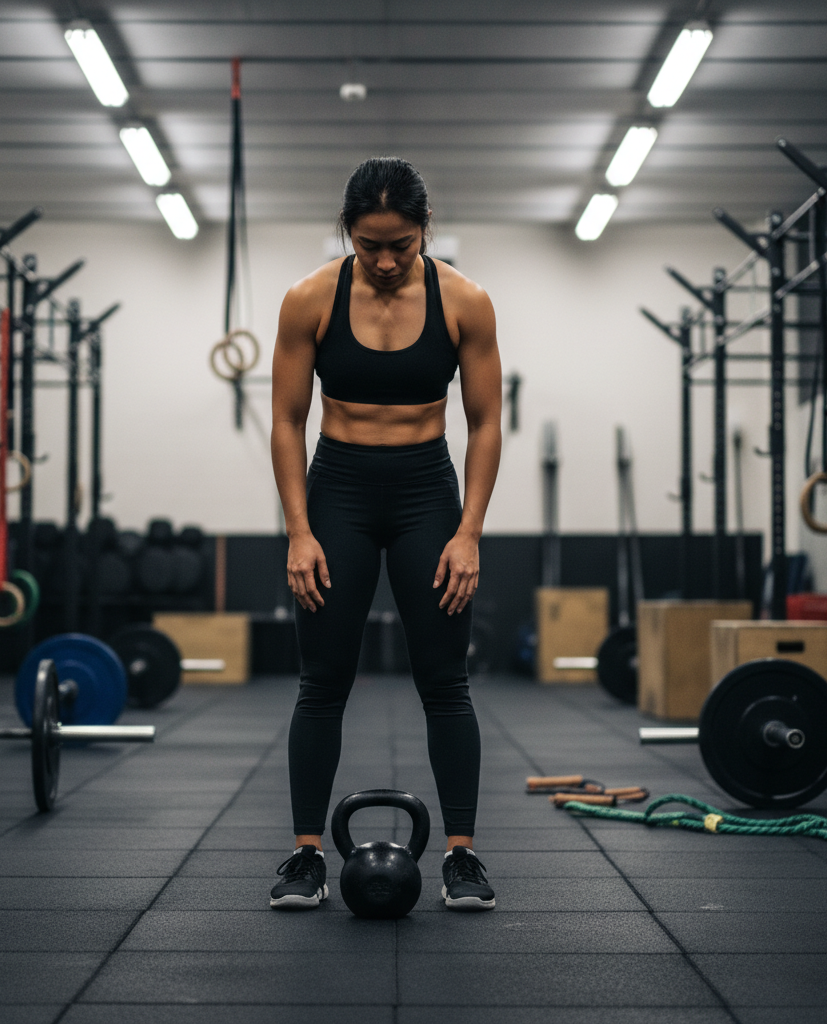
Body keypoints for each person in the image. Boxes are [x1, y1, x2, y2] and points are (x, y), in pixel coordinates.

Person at [268, 157, 502, 911]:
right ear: (347, 231)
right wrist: (298, 530)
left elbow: (486, 422)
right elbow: (286, 420)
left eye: (402, 243)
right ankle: (306, 855)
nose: (387, 260)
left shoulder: (465, 302)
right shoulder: (309, 299)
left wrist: (469, 532)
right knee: (321, 680)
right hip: (336, 488)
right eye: (369, 244)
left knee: (445, 679)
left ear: (425, 228)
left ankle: (462, 856)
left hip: (425, 491)